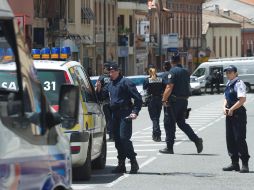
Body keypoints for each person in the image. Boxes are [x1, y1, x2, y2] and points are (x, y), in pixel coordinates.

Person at [96, 63, 143, 174]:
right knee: (117, 140)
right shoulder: (110, 84)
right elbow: (101, 97)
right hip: (114, 114)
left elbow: (138, 99)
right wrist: (98, 89)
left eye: (112, 72)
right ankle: (121, 164)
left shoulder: (126, 82)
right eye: (109, 72)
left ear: (118, 71)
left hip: (125, 113)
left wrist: (135, 112)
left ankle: (133, 161)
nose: (110, 74)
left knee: (124, 138)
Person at [160, 54, 203, 154]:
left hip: (173, 102)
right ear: (180, 61)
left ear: (171, 61)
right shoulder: (186, 71)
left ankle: (169, 147)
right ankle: (196, 140)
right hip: (183, 101)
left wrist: (163, 99)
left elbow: (169, 87)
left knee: (169, 123)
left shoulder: (172, 72)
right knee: (182, 123)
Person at [222, 65, 250, 173]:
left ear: (235, 73)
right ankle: (234, 163)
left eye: (230, 72)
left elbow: (242, 100)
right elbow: (225, 97)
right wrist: (224, 107)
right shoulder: (229, 84)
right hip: (230, 113)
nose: (228, 74)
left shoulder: (239, 83)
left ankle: (245, 164)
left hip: (238, 113)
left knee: (239, 138)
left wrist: (232, 109)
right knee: (230, 139)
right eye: (227, 72)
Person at [143, 65, 164, 142]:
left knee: (154, 118)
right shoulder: (160, 79)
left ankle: (157, 135)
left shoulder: (147, 80)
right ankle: (155, 133)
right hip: (159, 100)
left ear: (149, 72)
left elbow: (144, 88)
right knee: (156, 118)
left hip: (151, 100)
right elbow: (164, 88)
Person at [97, 62, 113, 141]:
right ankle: (115, 134)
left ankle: (111, 135)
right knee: (114, 118)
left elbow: (98, 89)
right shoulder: (113, 76)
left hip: (106, 102)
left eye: (104, 68)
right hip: (114, 101)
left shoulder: (101, 78)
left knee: (108, 119)